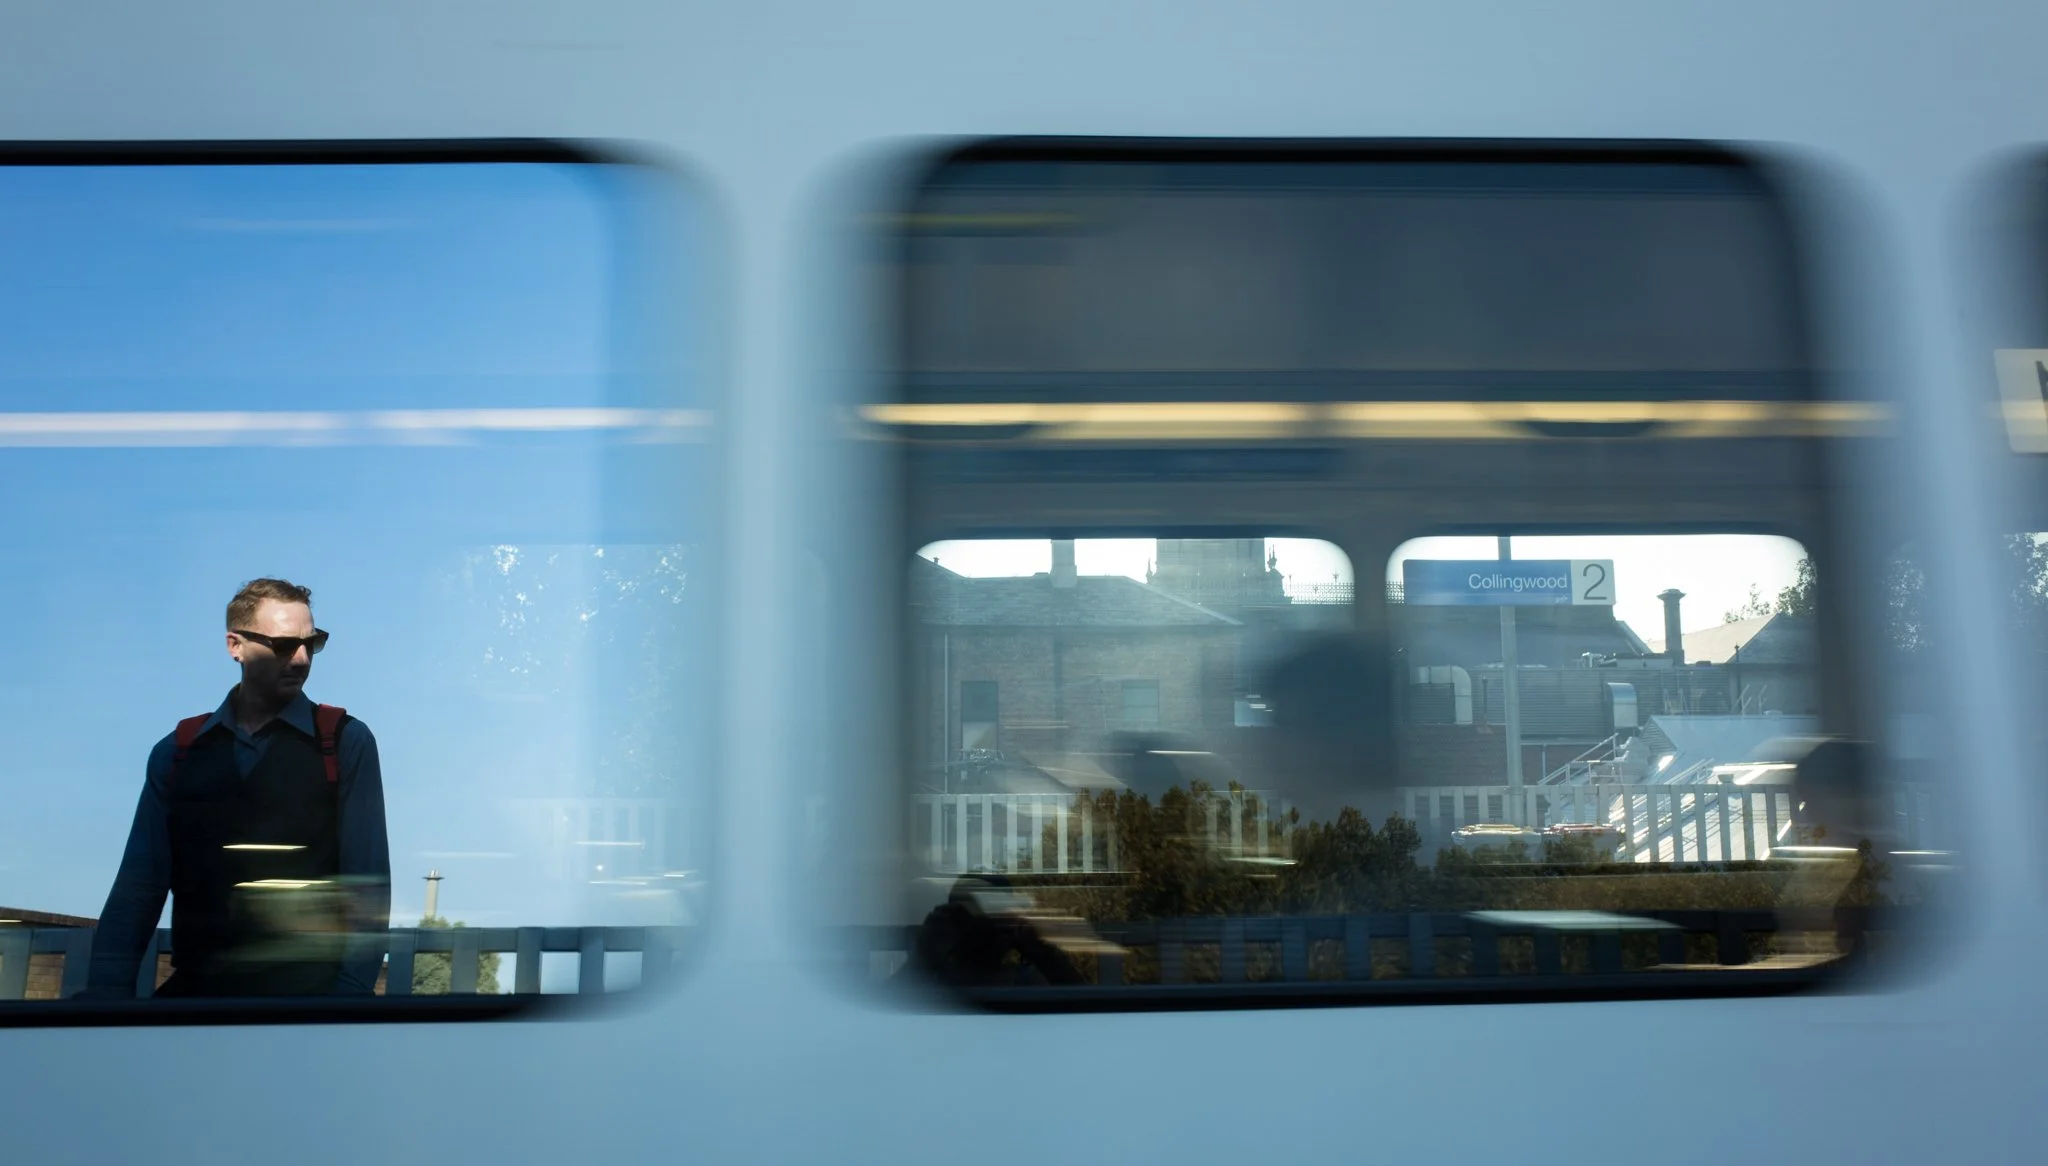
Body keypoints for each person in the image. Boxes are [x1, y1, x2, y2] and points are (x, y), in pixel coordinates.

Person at [84, 578, 390, 998]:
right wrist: (103, 998)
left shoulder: (343, 741)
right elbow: (140, 884)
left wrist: (345, 1004)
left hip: (309, 1000)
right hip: (198, 997)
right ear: (235, 646)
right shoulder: (177, 751)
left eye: (311, 642)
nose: (301, 659)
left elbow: (366, 883)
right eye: (283, 645)